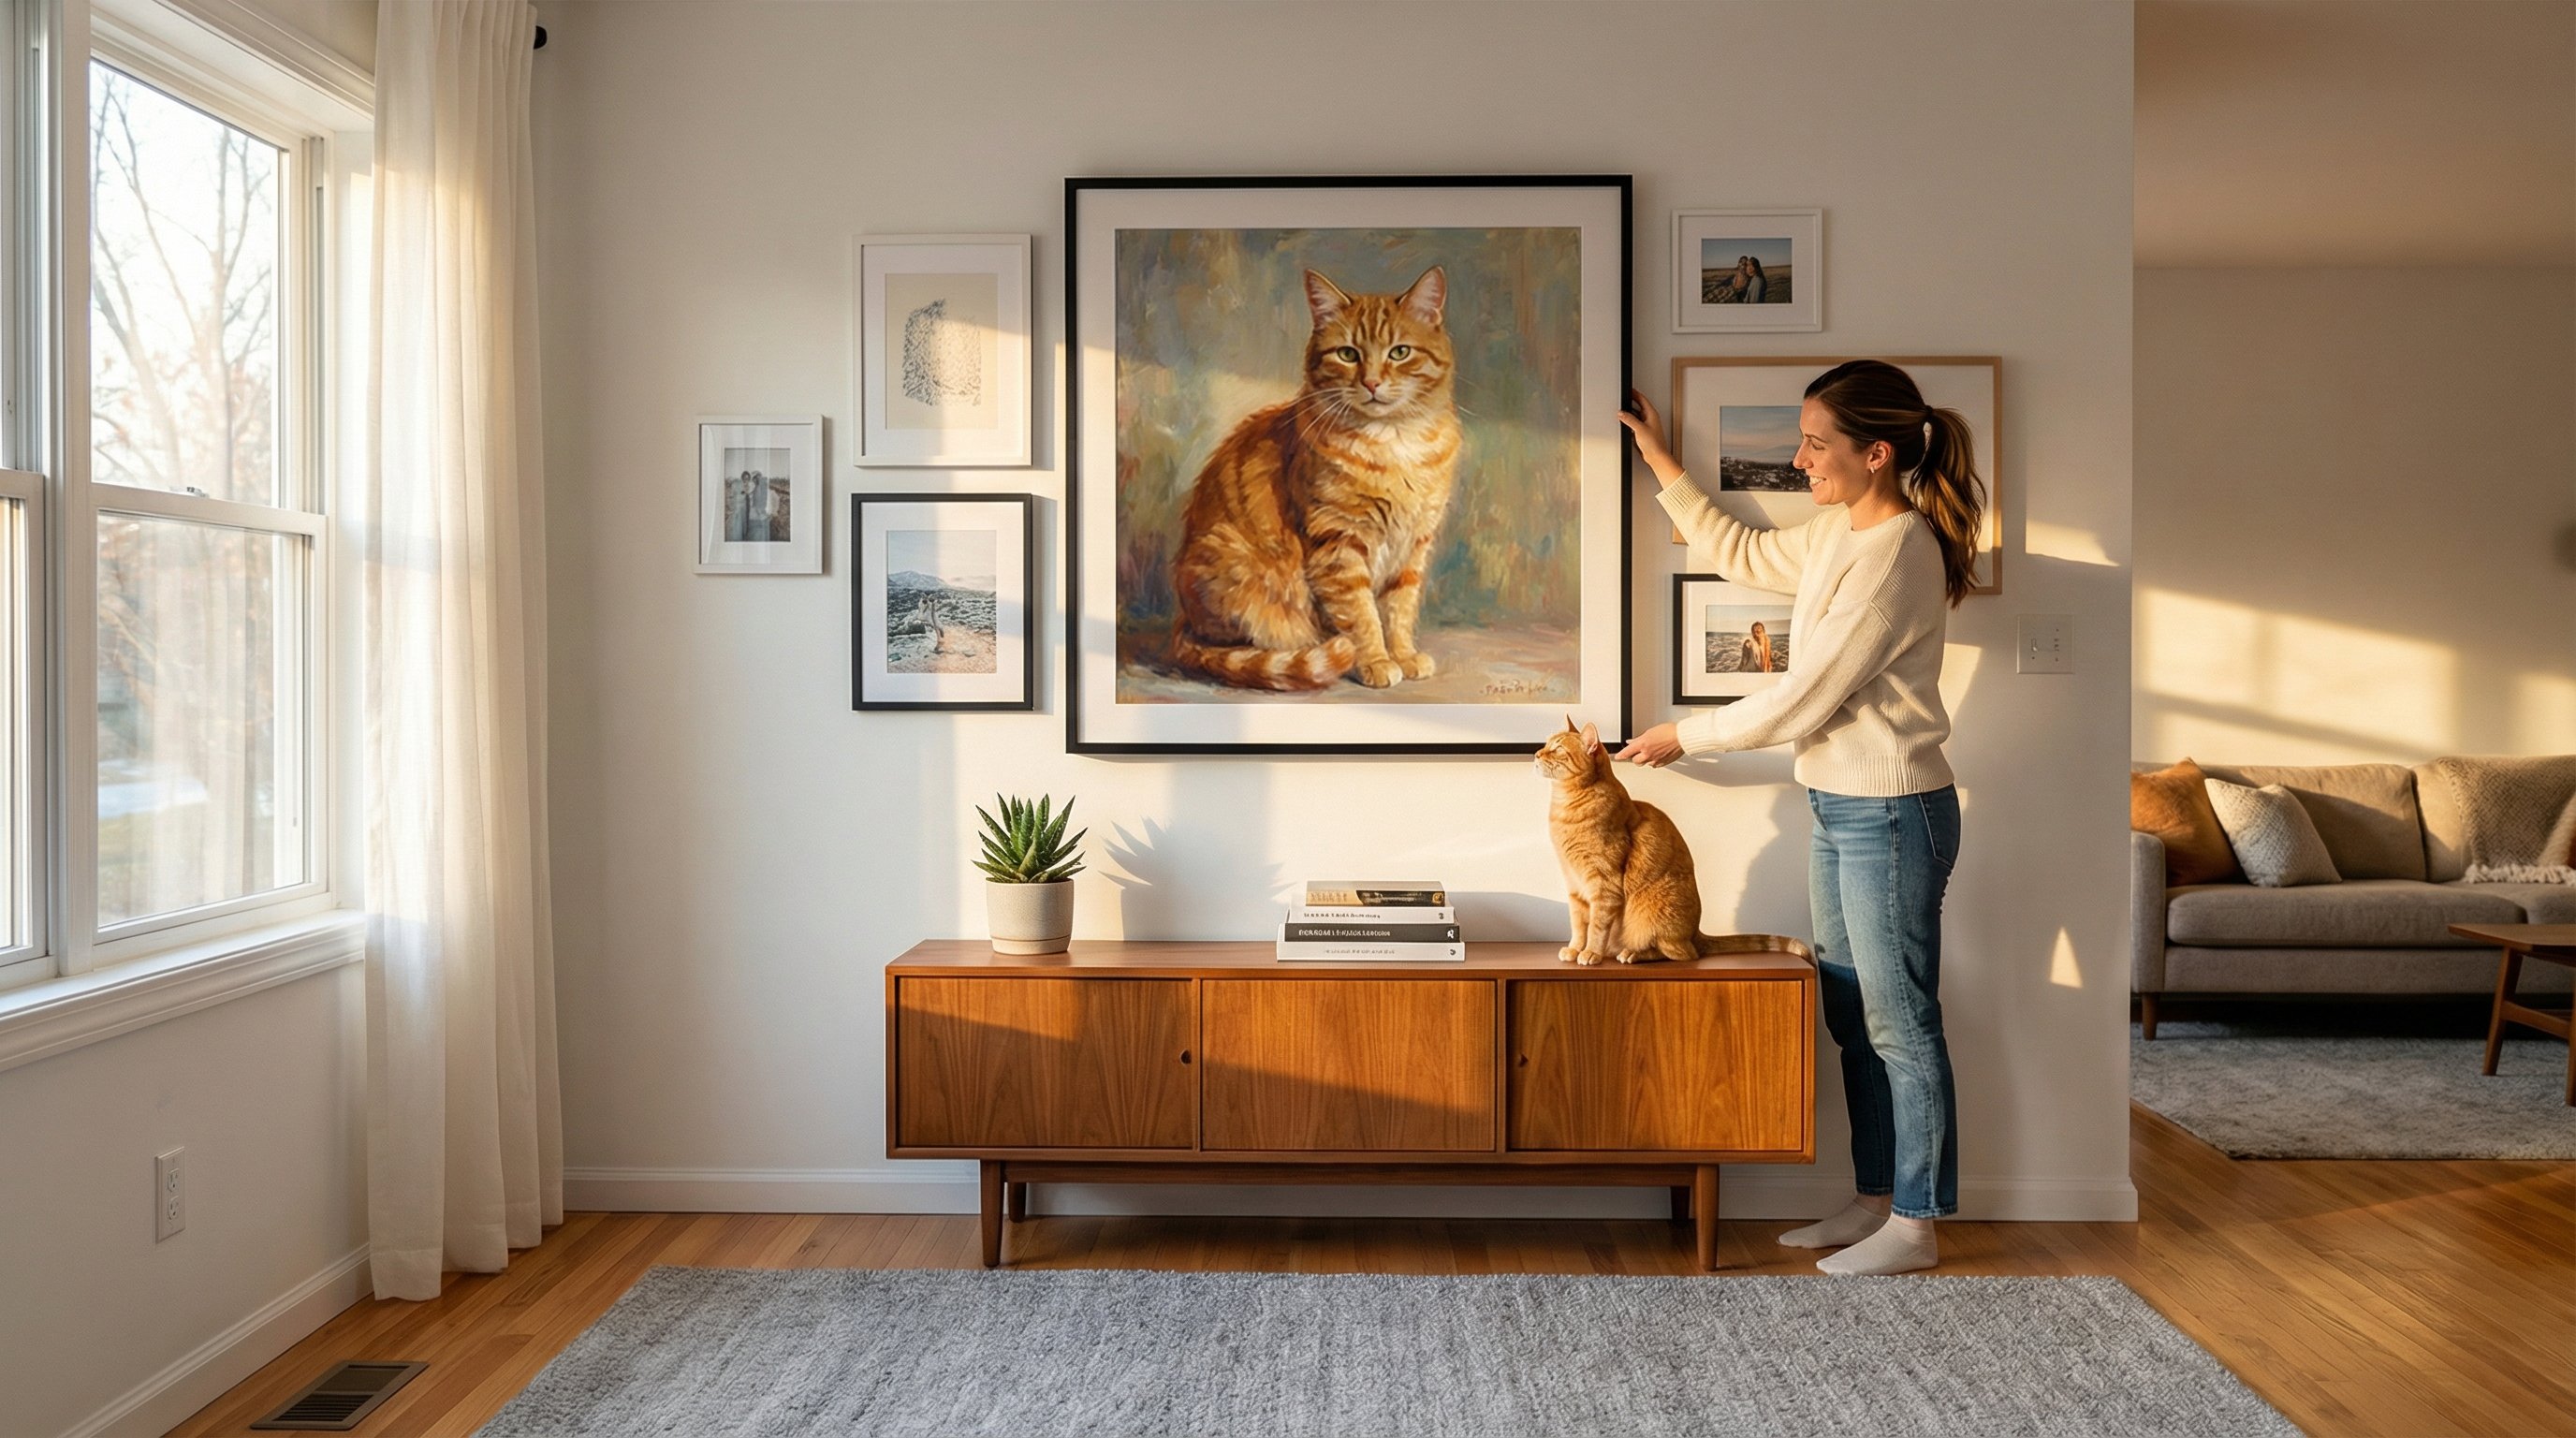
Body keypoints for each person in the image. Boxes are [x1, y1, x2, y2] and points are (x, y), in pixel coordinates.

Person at [1615, 360, 1986, 1277]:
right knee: (1854, 1016)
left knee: (1899, 1019)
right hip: (1838, 804)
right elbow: (1741, 554)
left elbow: (1804, 697)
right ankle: (1872, 1202)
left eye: (1816, 443)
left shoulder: (1900, 550)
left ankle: (1916, 1221)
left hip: (1893, 811)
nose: (1799, 457)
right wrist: (1661, 459)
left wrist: (1680, 737)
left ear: (1876, 453)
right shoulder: (1836, 534)